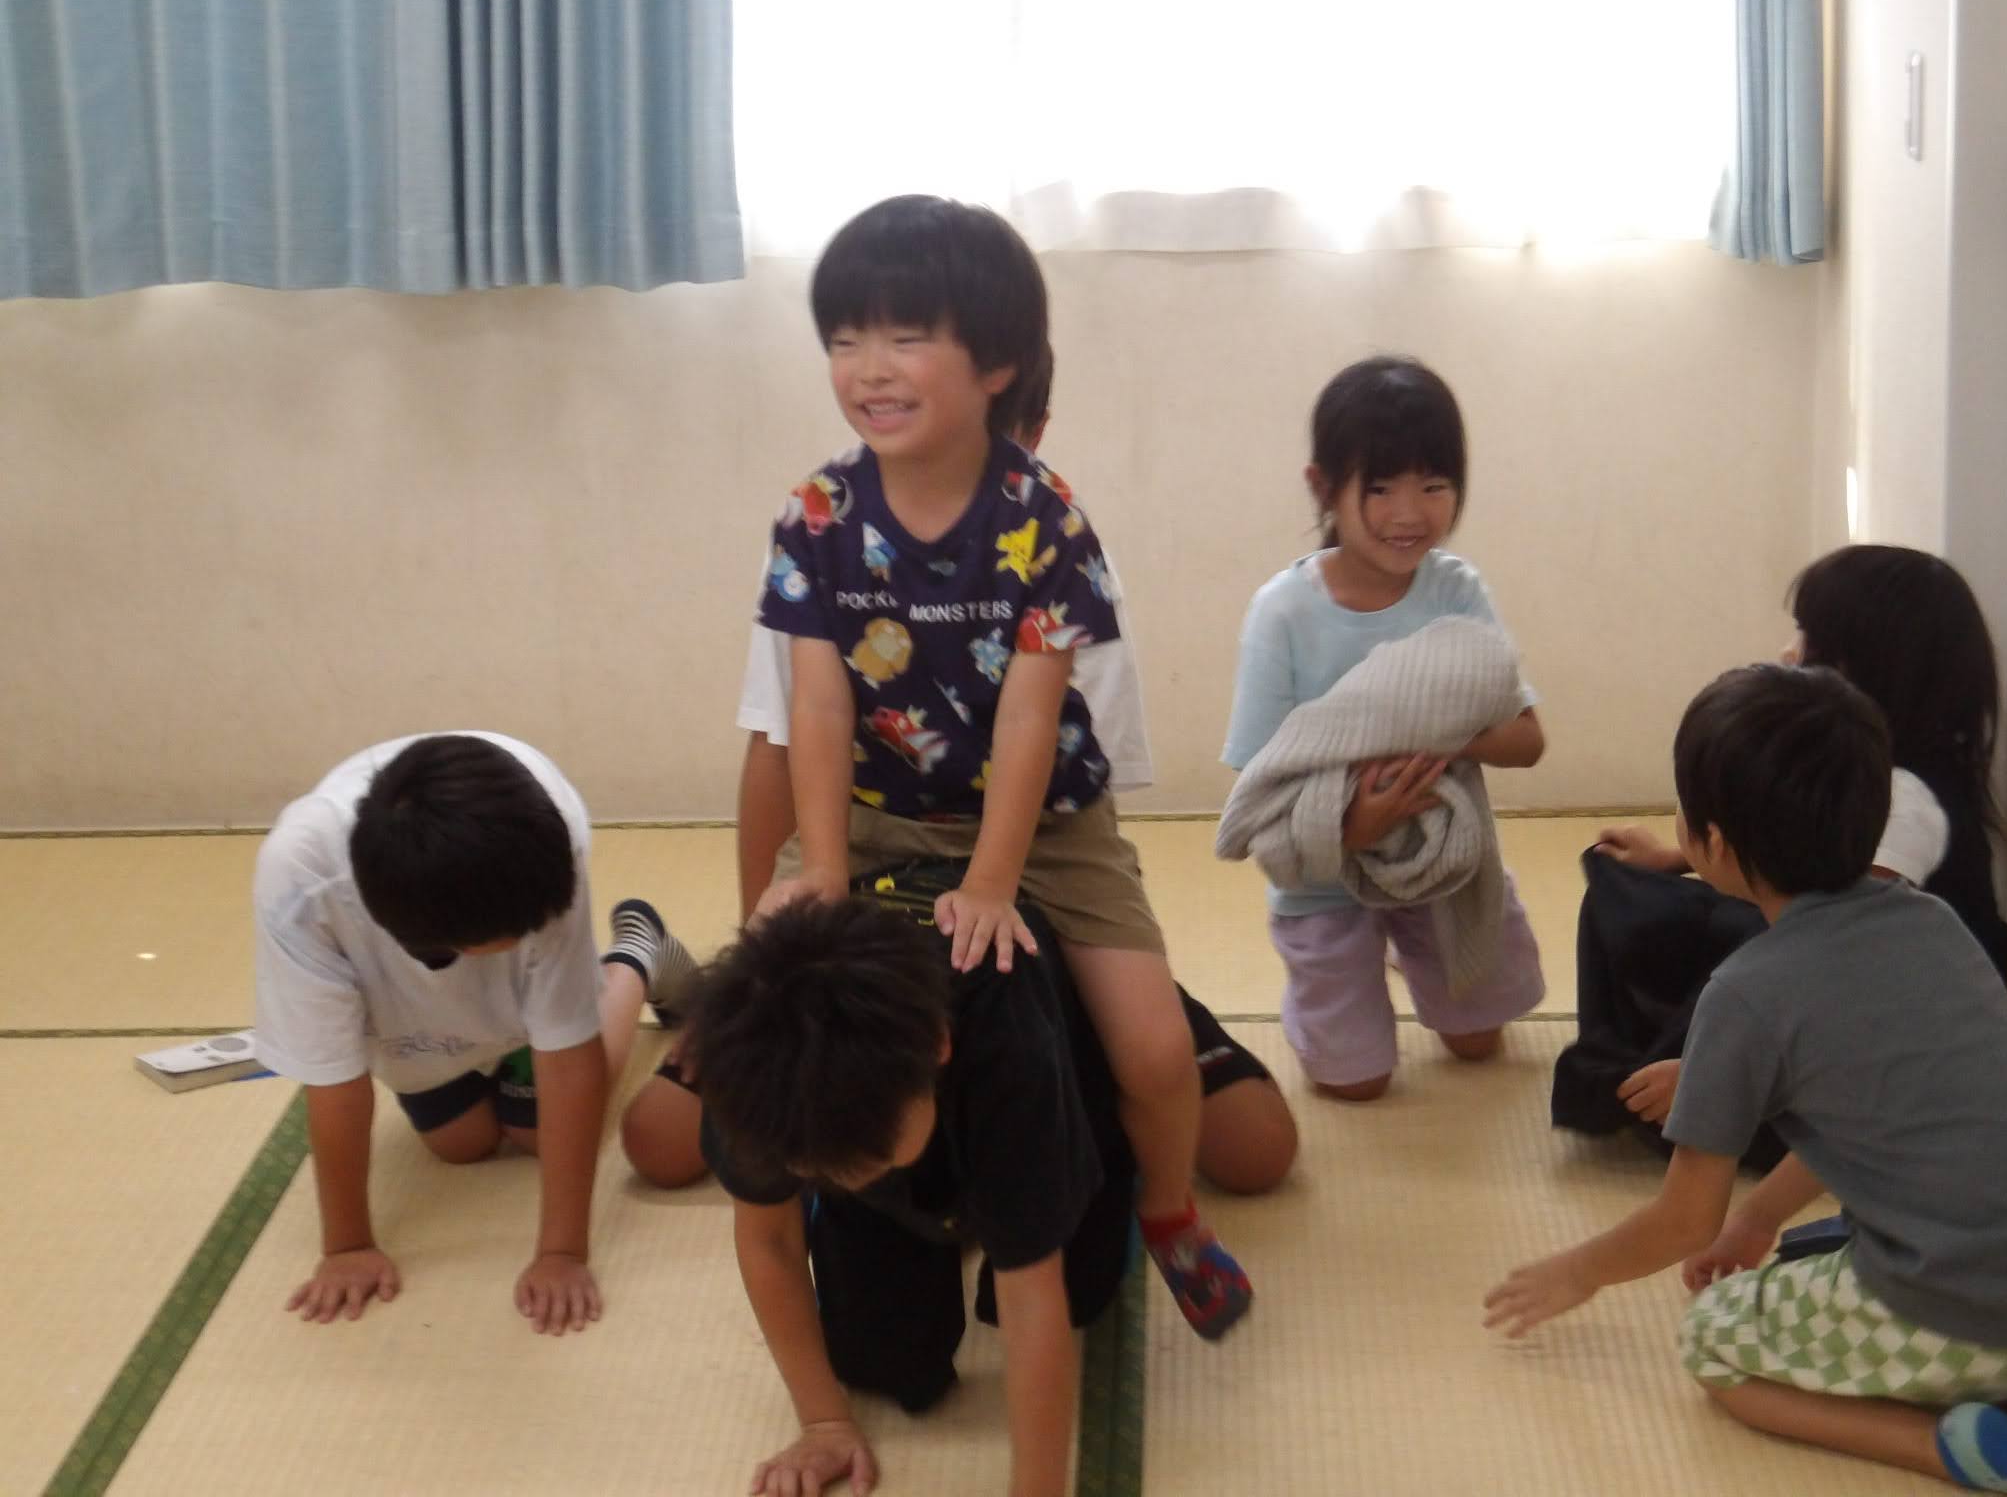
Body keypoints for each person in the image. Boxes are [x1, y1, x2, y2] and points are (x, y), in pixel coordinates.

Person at [744, 193, 1250, 1338]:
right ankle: (828, 1192)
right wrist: (821, 866)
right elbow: (815, 704)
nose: (869, 368)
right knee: (776, 987)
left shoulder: (1042, 515)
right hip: (870, 813)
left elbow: (1029, 720)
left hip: (1048, 822)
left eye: (905, 336)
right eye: (844, 339)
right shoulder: (817, 513)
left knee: (1153, 1049)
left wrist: (989, 880)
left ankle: (1168, 1212)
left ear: (996, 364)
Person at [618, 352, 1299, 1201]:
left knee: (1236, 1136)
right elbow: (781, 748)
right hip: (866, 842)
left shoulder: (1055, 546)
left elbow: (1072, 785)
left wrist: (1005, 891)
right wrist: (755, 976)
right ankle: (683, 981)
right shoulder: (825, 532)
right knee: (670, 1139)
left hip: (1036, 854)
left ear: (1025, 431)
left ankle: (1159, 1203)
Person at [1486, 665, 2007, 1493]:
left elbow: (1684, 1222)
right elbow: (1862, 1110)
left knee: (1713, 1341)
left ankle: (1949, 1448)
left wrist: (1579, 1271)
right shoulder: (1933, 923)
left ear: (1711, 844)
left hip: (1963, 1319)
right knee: (1835, 1247)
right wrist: (1757, 1219)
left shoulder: (1747, 993)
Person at [690, 867, 1219, 1497]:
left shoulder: (1006, 1045)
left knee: (1078, 1292)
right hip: (898, 1088)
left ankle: (1150, 1009)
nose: (850, 1177)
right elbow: (769, 1238)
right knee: (882, 1364)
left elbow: (1030, 1293)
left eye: (869, 1156)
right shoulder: (752, 1068)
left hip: (1054, 1050)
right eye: (824, 1173)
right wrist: (823, 1423)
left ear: (938, 1047)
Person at [1554, 545, 2007, 1165]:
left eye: (1808, 638)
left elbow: (1829, 960)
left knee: (1747, 955)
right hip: (1816, 963)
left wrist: (1709, 1074)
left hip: (1861, 1049)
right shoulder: (1860, 761)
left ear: (1865, 664)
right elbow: (1793, 857)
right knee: (1623, 893)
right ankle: (1644, 1066)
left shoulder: (1906, 800)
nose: (1788, 653)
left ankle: (1683, 1089)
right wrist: (1679, 858)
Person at [252, 732, 693, 1332]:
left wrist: (562, 1253)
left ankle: (637, 955)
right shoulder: (299, 882)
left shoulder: (543, 837)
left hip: (485, 916)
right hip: (417, 987)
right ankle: (506, 1054)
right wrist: (347, 1245)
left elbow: (569, 1056)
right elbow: (333, 1078)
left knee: (537, 1134)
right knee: (461, 1144)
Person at [1219, 355, 1545, 1103]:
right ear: (1323, 487)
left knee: (1478, 1044)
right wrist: (1355, 825)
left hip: (1440, 860)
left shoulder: (1455, 590)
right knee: (1357, 1085)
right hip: (1323, 876)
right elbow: (1259, 788)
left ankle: (1406, 949)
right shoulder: (1283, 612)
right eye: (1380, 488)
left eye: (1433, 485)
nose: (1409, 513)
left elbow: (1528, 740)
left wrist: (1431, 735)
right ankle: (1325, 1000)